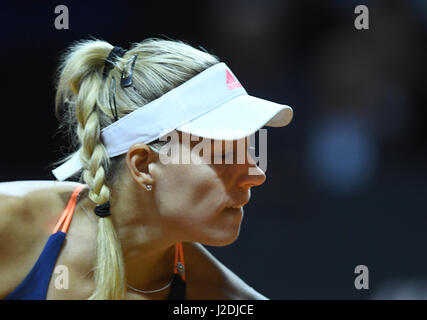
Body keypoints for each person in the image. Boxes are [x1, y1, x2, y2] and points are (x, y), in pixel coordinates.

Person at [0, 37, 293, 300]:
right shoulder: (9, 221)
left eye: (251, 152)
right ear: (142, 165)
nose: (256, 174)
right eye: (226, 154)